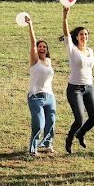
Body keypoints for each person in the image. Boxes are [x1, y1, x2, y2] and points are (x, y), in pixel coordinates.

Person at [62, 5, 94, 153]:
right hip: (75, 88)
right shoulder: (72, 50)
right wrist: (65, 17)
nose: (84, 36)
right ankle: (70, 138)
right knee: (79, 119)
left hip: (89, 87)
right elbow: (65, 32)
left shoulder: (90, 51)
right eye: (81, 34)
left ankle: (81, 134)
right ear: (76, 37)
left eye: (86, 34)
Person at [24, 15, 56, 156]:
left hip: (49, 96)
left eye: (44, 46)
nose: (42, 48)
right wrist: (30, 25)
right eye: (40, 46)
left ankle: (47, 144)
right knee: (39, 124)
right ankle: (33, 148)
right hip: (36, 96)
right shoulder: (34, 60)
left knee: (51, 121)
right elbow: (32, 42)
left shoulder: (48, 61)